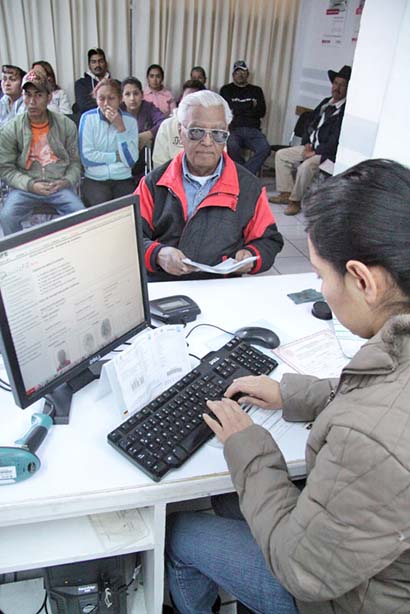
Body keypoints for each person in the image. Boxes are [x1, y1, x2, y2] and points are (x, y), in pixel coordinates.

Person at [166, 158, 410, 614]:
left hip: (339, 598)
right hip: (372, 554)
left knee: (180, 531)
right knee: (226, 491)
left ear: (363, 280)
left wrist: (248, 444)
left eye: (321, 276)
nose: (321, 289)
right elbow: (383, 387)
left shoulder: (375, 442)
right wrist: (292, 394)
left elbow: (302, 569)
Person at [137, 90, 283, 282]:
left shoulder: (248, 186)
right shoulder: (154, 183)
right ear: (181, 132)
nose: (207, 142)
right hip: (165, 284)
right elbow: (131, 237)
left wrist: (250, 255)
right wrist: (157, 254)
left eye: (218, 134)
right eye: (196, 132)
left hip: (222, 287)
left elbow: (269, 240)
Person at [0, 69, 84, 235]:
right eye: (27, 95)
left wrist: (66, 181)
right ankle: (19, 254)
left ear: (49, 97)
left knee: (82, 215)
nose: (31, 101)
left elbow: (75, 163)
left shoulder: (66, 125)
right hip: (25, 187)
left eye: (38, 95)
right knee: (6, 217)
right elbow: (5, 169)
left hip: (58, 186)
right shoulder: (11, 128)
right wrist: (31, 185)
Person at [270, 65, 351, 215]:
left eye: (342, 85)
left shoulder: (346, 110)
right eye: (335, 83)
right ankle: (286, 193)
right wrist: (307, 144)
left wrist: (314, 153)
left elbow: (336, 141)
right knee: (282, 155)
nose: (337, 88)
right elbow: (310, 123)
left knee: (305, 167)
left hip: (326, 153)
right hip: (311, 147)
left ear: (348, 88)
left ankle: (295, 201)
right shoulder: (326, 102)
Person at [79, 78, 139, 206]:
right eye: (101, 98)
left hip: (123, 177)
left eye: (111, 98)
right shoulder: (88, 118)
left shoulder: (130, 121)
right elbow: (86, 158)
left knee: (128, 207)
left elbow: (131, 160)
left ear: (120, 99)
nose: (106, 103)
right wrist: (115, 157)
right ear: (96, 99)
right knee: (101, 206)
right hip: (95, 178)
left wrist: (121, 129)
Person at [220, 60, 271, 176]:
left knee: (265, 148)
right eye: (237, 72)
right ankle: (245, 174)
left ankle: (243, 174)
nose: (240, 75)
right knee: (231, 145)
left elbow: (261, 112)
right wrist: (249, 106)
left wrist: (237, 109)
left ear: (247, 74)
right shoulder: (226, 90)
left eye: (243, 72)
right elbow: (226, 111)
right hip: (233, 129)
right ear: (233, 75)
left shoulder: (256, 90)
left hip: (253, 130)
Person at [121, 77, 166, 184]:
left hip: (144, 161)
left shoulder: (148, 107)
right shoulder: (119, 110)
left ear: (142, 94)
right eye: (127, 94)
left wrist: (148, 134)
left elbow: (163, 123)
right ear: (122, 97)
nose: (132, 98)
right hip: (122, 161)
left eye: (136, 94)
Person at [152, 79, 206, 168]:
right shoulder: (167, 126)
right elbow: (159, 163)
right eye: (187, 99)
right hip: (170, 177)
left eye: (194, 101)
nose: (189, 104)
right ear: (181, 100)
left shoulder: (211, 127)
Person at [74, 47, 111, 119]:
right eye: (94, 62)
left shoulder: (116, 84)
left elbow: (120, 105)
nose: (97, 65)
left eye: (100, 61)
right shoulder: (81, 84)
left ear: (105, 63)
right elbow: (84, 106)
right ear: (89, 65)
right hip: (90, 122)